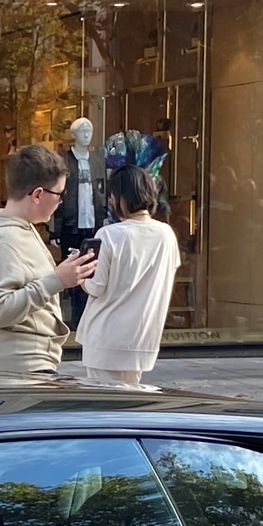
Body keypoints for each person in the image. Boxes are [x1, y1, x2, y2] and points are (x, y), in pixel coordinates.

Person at [0, 142, 97, 384]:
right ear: (37, 195)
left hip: (21, 368)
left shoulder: (20, 230)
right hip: (13, 372)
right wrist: (57, 281)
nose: (61, 202)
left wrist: (59, 277)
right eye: (59, 194)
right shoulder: (4, 239)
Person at [77, 165, 181, 388]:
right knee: (130, 406)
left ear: (119, 197)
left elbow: (96, 286)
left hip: (105, 336)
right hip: (142, 337)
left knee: (104, 409)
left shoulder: (109, 235)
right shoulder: (166, 234)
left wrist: (79, 272)